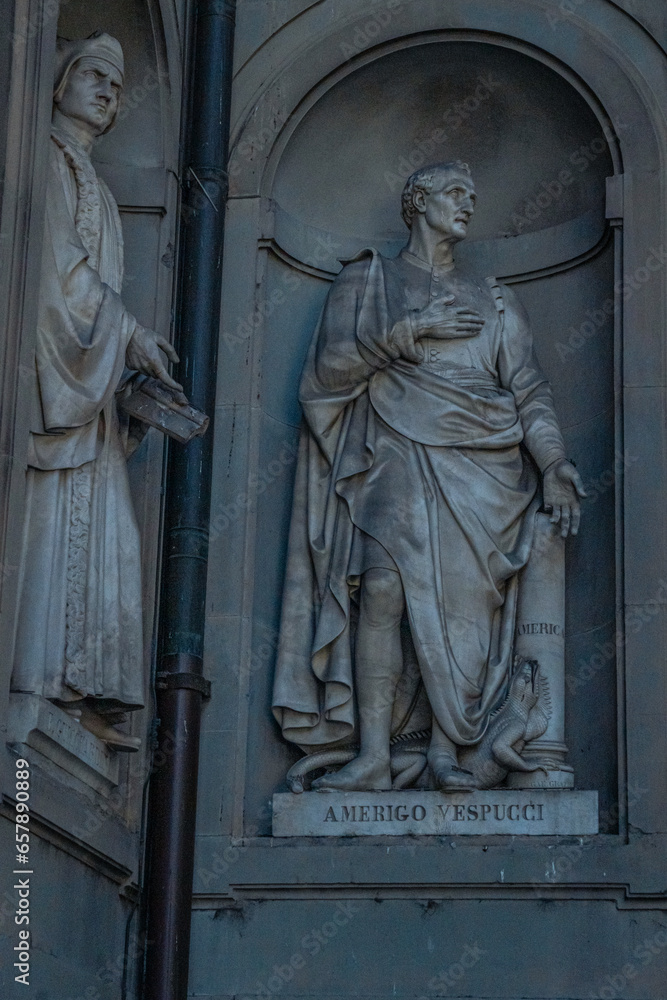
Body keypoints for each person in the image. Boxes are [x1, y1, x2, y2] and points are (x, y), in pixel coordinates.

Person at [272, 161, 585, 790]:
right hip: (392, 451)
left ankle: (447, 753)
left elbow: (528, 390)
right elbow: (328, 374)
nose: (468, 204)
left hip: (483, 466)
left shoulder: (496, 300)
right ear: (418, 201)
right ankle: (372, 756)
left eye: (473, 194)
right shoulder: (368, 282)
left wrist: (553, 461)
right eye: (455, 193)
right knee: (382, 588)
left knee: (464, 609)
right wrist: (404, 335)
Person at [11, 33, 182, 750]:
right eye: (92, 74)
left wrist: (127, 370)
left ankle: (76, 689)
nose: (109, 90)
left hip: (90, 397)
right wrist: (132, 335)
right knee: (46, 531)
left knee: (97, 531)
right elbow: (58, 276)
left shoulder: (101, 189)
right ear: (56, 83)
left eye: (118, 81)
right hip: (53, 392)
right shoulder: (41, 160)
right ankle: (35, 677)